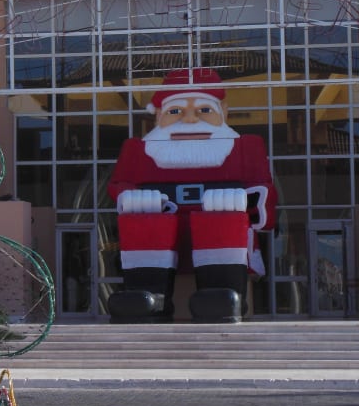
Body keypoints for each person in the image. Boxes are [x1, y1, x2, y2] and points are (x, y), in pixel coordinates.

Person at [107, 68, 277, 323]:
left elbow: (265, 198)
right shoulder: (136, 151)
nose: (189, 120)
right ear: (158, 116)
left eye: (204, 110)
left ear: (224, 112)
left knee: (223, 222)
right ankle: (150, 297)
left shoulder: (245, 148)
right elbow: (119, 188)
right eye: (175, 111)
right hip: (160, 228)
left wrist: (239, 200)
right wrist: (132, 199)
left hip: (220, 232)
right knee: (143, 223)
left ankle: (222, 295)